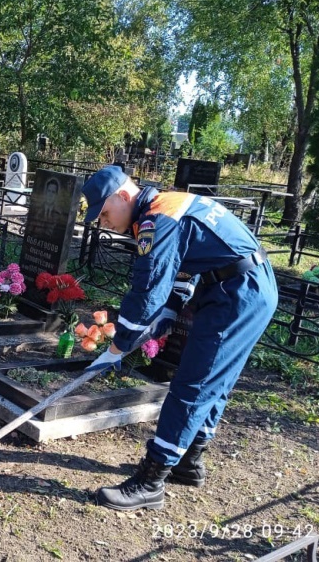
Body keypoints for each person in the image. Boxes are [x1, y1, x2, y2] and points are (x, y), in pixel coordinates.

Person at [81, 165, 278, 511]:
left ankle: (151, 481)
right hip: (239, 285)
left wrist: (118, 344)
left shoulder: (158, 219)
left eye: (105, 213)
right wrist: (173, 307)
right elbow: (185, 262)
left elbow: (147, 289)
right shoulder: (168, 204)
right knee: (215, 380)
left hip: (238, 293)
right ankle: (188, 462)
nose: (104, 223)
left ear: (122, 196)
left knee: (194, 385)